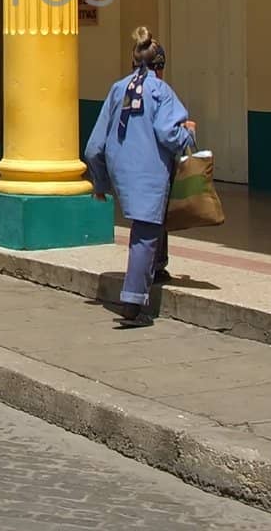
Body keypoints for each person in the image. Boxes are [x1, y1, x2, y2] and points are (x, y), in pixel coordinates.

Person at [83, 26, 196, 327]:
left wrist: (100, 184)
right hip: (149, 171)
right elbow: (167, 133)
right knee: (145, 233)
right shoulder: (161, 90)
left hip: (122, 170)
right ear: (160, 66)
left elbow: (94, 146)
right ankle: (133, 304)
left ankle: (158, 267)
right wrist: (188, 135)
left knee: (154, 219)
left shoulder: (117, 89)